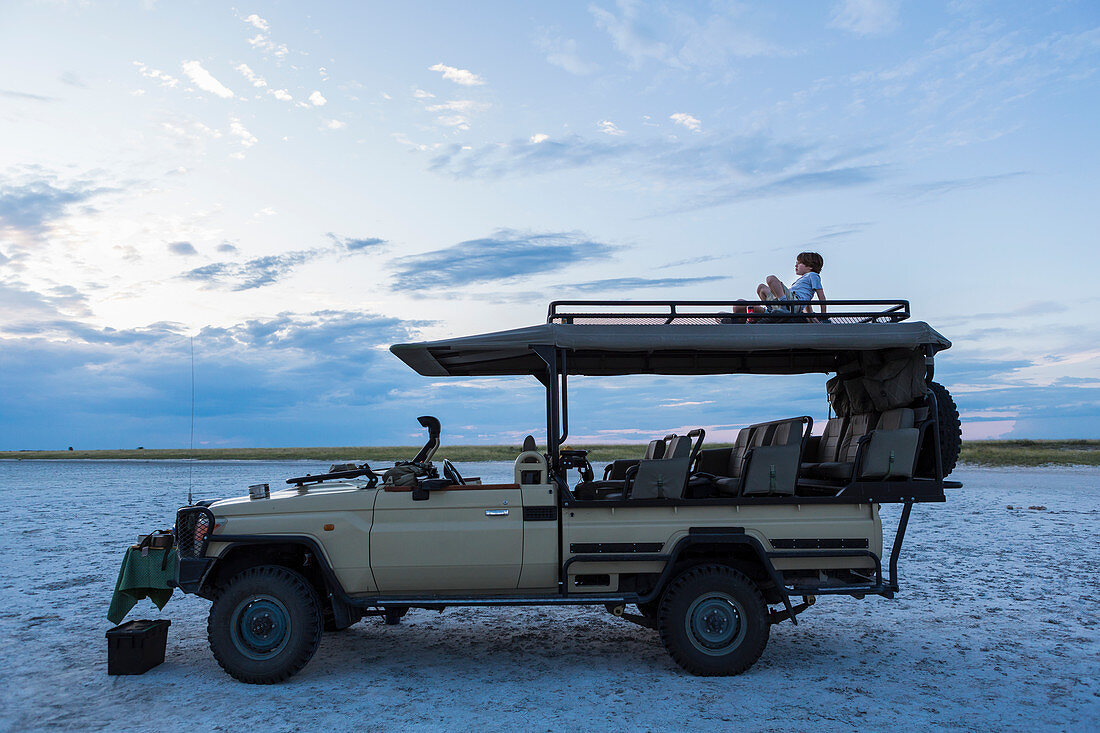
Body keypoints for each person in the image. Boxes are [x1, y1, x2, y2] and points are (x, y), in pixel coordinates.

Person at [733, 251, 826, 319]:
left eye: (799, 263)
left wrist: (823, 316)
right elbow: (807, 302)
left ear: (810, 266)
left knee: (771, 279)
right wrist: (811, 317)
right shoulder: (801, 282)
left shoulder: (813, 275)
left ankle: (783, 306)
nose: (796, 266)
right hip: (788, 302)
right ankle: (771, 309)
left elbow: (821, 296)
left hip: (791, 304)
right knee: (757, 290)